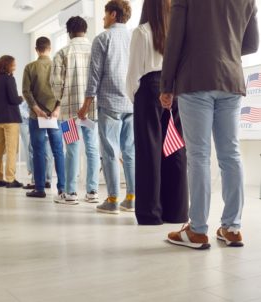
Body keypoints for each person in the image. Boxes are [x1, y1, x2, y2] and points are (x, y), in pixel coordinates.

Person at [161, 0, 259, 249]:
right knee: (231, 154)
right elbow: (251, 44)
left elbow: (174, 41)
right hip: (231, 79)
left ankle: (197, 230)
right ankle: (232, 228)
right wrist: (225, 49)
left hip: (195, 78)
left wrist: (166, 85)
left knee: (199, 156)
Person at [126, 0, 188, 225]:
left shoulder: (142, 32)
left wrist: (137, 98)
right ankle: (177, 212)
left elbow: (133, 75)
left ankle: (150, 214)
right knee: (175, 148)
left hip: (149, 88)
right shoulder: (179, 30)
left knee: (148, 152)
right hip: (176, 89)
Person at [78, 0, 135, 214]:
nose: (102, 18)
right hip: (132, 102)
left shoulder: (103, 38)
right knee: (130, 152)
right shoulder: (134, 38)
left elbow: (94, 77)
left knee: (110, 152)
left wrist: (85, 106)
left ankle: (112, 199)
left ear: (113, 14)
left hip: (110, 102)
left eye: (104, 14)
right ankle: (131, 198)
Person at [51, 16, 100, 205]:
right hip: (92, 109)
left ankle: (70, 193)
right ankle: (92, 191)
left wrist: (61, 98)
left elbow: (55, 84)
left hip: (69, 111)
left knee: (71, 148)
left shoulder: (63, 52)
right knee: (92, 148)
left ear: (69, 32)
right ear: (85, 30)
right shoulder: (95, 50)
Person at [23, 37, 66, 201]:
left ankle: (40, 188)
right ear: (50, 48)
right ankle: (62, 188)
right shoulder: (58, 65)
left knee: (38, 152)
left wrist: (37, 109)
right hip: (56, 115)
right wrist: (57, 108)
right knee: (58, 151)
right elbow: (64, 89)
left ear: (36, 49)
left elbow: (26, 92)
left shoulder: (30, 67)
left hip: (36, 116)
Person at [0, 55, 24, 188]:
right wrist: (22, 98)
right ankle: (10, 179)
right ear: (8, 65)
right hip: (11, 119)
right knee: (11, 149)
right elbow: (14, 100)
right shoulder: (10, 79)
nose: (15, 66)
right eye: (13, 64)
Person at [19, 101, 53, 189]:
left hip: (40, 124)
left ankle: (38, 180)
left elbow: (22, 109)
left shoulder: (34, 95)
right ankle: (45, 180)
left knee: (36, 152)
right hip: (47, 123)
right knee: (47, 154)